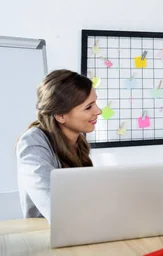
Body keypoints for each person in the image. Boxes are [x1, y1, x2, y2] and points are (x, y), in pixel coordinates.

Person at [16, 70, 101, 221]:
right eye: (89, 107)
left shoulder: (78, 142)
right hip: (47, 235)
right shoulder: (32, 143)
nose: (98, 111)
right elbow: (53, 205)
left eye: (95, 103)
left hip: (81, 227)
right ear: (61, 115)